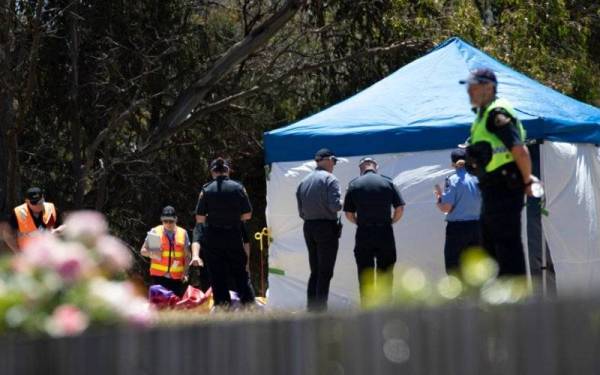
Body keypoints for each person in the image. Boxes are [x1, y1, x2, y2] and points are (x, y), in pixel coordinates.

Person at [460, 67, 538, 276]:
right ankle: (499, 297)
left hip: (505, 185)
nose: (469, 91)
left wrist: (528, 181)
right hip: (491, 187)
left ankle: (516, 297)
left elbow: (519, 150)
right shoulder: (482, 116)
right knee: (490, 243)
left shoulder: (497, 113)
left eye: (474, 86)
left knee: (506, 243)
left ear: (489, 87)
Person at [195, 157, 255, 308]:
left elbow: (200, 218)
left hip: (214, 237)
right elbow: (248, 214)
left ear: (212, 172)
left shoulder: (206, 189)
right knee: (240, 272)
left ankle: (223, 307)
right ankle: (248, 305)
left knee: (217, 274)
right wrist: (234, 217)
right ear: (227, 170)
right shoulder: (238, 188)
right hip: (234, 234)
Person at [343, 157, 405, 304]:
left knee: (366, 273)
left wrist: (359, 222)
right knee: (386, 272)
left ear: (361, 168)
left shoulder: (354, 184)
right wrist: (391, 221)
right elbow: (400, 208)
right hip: (385, 232)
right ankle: (385, 307)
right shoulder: (388, 182)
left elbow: (348, 214)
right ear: (375, 167)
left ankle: (367, 309)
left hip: (364, 233)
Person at [296, 148, 342, 311]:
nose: (334, 165)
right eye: (334, 161)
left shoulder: (304, 181)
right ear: (329, 159)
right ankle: (320, 311)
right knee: (325, 272)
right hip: (326, 228)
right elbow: (335, 206)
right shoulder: (331, 179)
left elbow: (301, 211)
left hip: (309, 227)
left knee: (315, 271)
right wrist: (344, 201)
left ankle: (312, 309)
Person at [434, 149, 482, 274]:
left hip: (458, 229)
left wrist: (439, 198)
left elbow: (446, 208)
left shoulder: (452, 180)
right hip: (478, 227)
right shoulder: (478, 178)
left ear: (452, 163)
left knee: (454, 268)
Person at [141, 205, 190, 297]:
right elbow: (143, 251)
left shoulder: (183, 233)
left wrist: (185, 272)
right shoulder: (155, 232)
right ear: (161, 220)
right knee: (159, 305)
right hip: (158, 277)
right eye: (165, 221)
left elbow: (187, 256)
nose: (168, 223)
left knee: (174, 306)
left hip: (176, 277)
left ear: (176, 219)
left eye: (171, 221)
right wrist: (152, 254)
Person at [4, 187, 64, 251]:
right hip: (28, 255)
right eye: (35, 203)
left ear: (43, 197)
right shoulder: (18, 213)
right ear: (27, 201)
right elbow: (7, 234)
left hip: (49, 253)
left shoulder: (51, 209)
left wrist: (58, 231)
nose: (38, 205)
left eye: (40, 202)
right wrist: (17, 251)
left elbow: (63, 226)